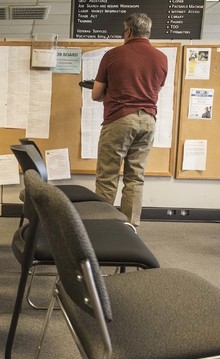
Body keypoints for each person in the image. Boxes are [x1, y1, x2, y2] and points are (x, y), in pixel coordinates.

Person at [91, 13, 167, 226]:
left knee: (107, 177)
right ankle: (130, 229)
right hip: (148, 121)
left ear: (128, 31)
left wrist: (110, 91)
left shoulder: (113, 55)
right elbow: (155, 90)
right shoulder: (161, 58)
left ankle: (104, 226)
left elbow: (96, 95)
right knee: (135, 178)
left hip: (120, 119)